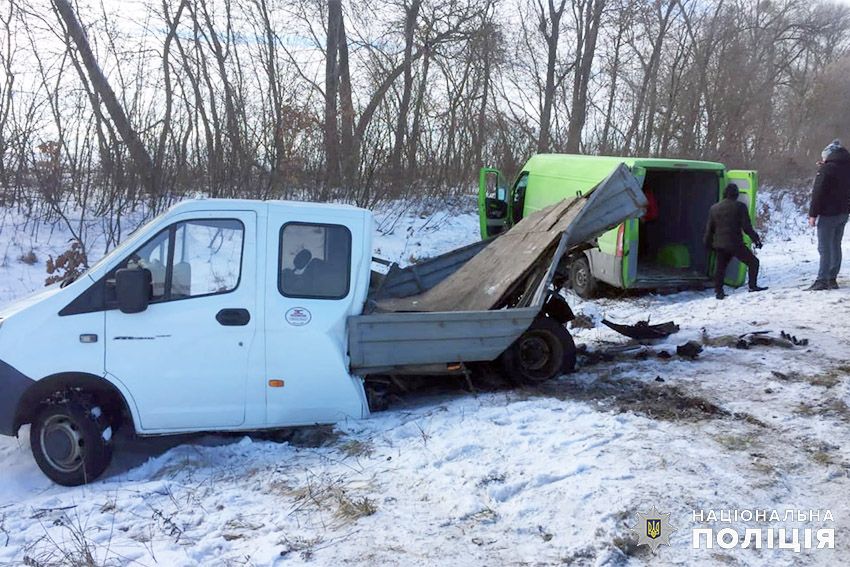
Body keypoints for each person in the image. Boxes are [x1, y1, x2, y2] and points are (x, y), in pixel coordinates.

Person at [704, 183, 767, 300]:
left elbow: (710, 229)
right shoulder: (740, 206)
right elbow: (747, 227)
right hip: (735, 244)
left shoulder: (714, 208)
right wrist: (756, 240)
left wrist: (707, 244)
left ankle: (719, 292)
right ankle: (752, 286)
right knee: (753, 262)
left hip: (720, 244)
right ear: (736, 194)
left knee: (720, 268)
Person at [806, 139, 850, 290]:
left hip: (828, 213)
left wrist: (813, 214)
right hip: (843, 213)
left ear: (828, 156)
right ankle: (832, 278)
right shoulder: (846, 166)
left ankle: (822, 280)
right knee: (835, 245)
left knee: (824, 248)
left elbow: (818, 192)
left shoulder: (826, 169)